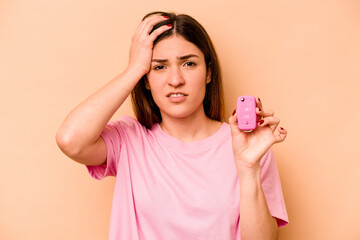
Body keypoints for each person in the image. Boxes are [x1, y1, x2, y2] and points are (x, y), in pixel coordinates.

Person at [56, 11, 288, 240]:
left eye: (188, 63)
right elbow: (70, 140)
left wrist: (248, 169)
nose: (175, 80)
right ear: (145, 79)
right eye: (159, 67)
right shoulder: (130, 139)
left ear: (208, 72)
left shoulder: (248, 146)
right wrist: (134, 68)